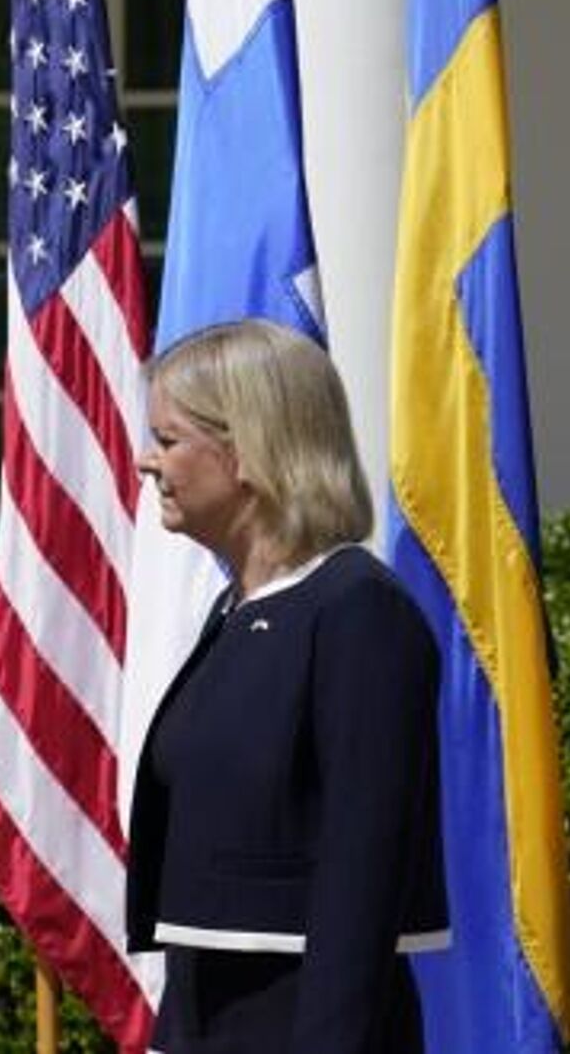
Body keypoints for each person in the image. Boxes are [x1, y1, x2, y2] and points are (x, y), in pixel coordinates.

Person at [126, 320, 449, 1052]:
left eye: (169, 439)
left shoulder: (357, 611)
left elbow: (361, 874)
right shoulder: (238, 609)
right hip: (212, 1015)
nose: (149, 461)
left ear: (247, 448)